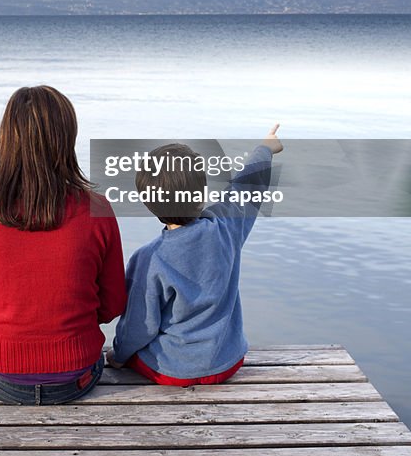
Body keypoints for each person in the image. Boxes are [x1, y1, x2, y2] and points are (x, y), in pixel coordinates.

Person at [0, 85, 127, 404]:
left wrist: (10, 326)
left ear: (6, 139)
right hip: (78, 375)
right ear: (66, 140)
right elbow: (113, 303)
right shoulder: (97, 208)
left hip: (0, 375)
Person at [108, 125, 283, 386]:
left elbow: (139, 326)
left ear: (147, 201)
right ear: (201, 193)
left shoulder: (148, 259)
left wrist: (119, 355)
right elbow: (248, 185)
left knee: (134, 350)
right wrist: (265, 148)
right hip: (227, 362)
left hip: (172, 371)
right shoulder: (226, 228)